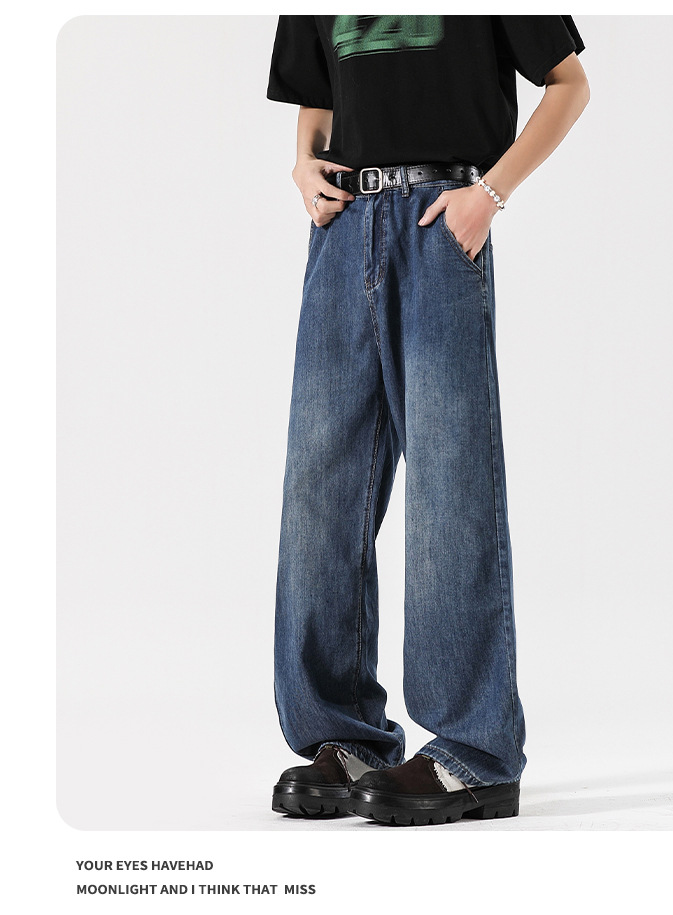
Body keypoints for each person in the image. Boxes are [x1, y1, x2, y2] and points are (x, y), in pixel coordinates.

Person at [266, 14, 588, 826]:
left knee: (450, 487)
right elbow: (315, 96)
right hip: (341, 230)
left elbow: (569, 84)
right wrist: (304, 166)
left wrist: (489, 195)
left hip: (441, 222)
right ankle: (344, 734)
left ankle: (474, 752)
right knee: (320, 490)